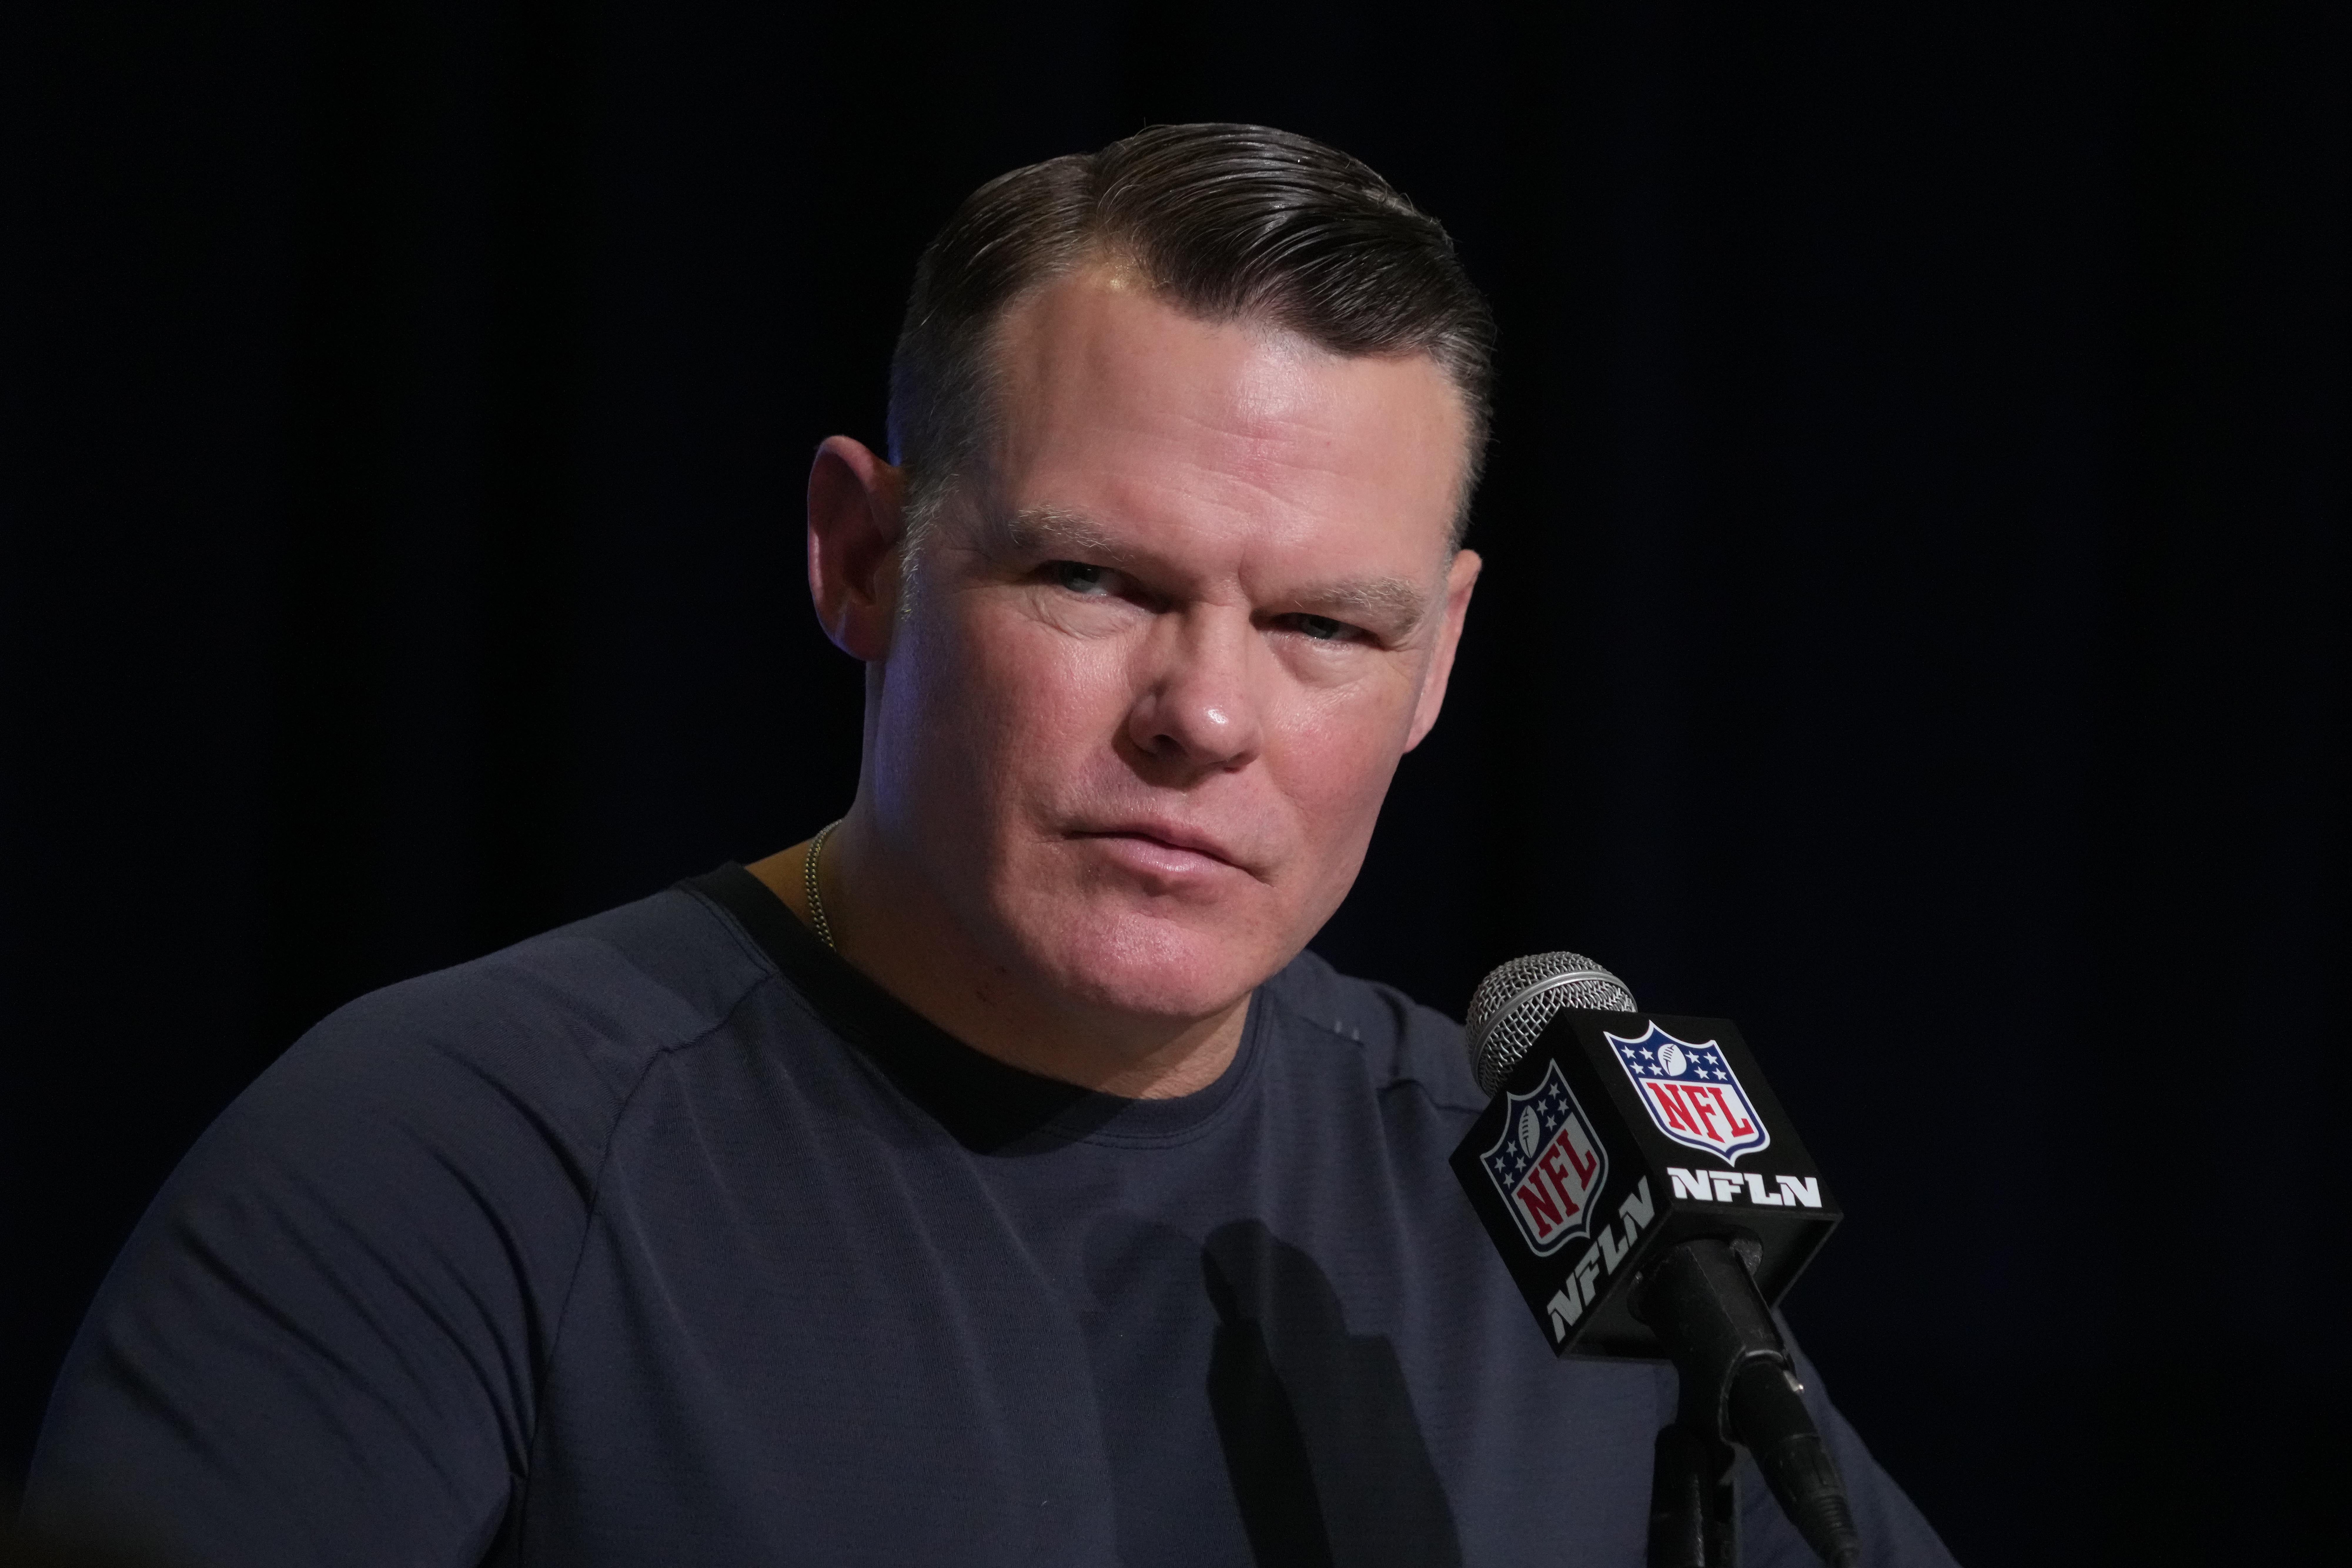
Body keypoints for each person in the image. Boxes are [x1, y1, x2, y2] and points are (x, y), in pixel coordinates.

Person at [24, 123, 1956, 1567]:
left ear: (1437, 653)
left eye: (1321, 628)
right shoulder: (447, 1158)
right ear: (862, 556)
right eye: (1095, 578)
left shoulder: (1543, 1185)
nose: (1205, 715)